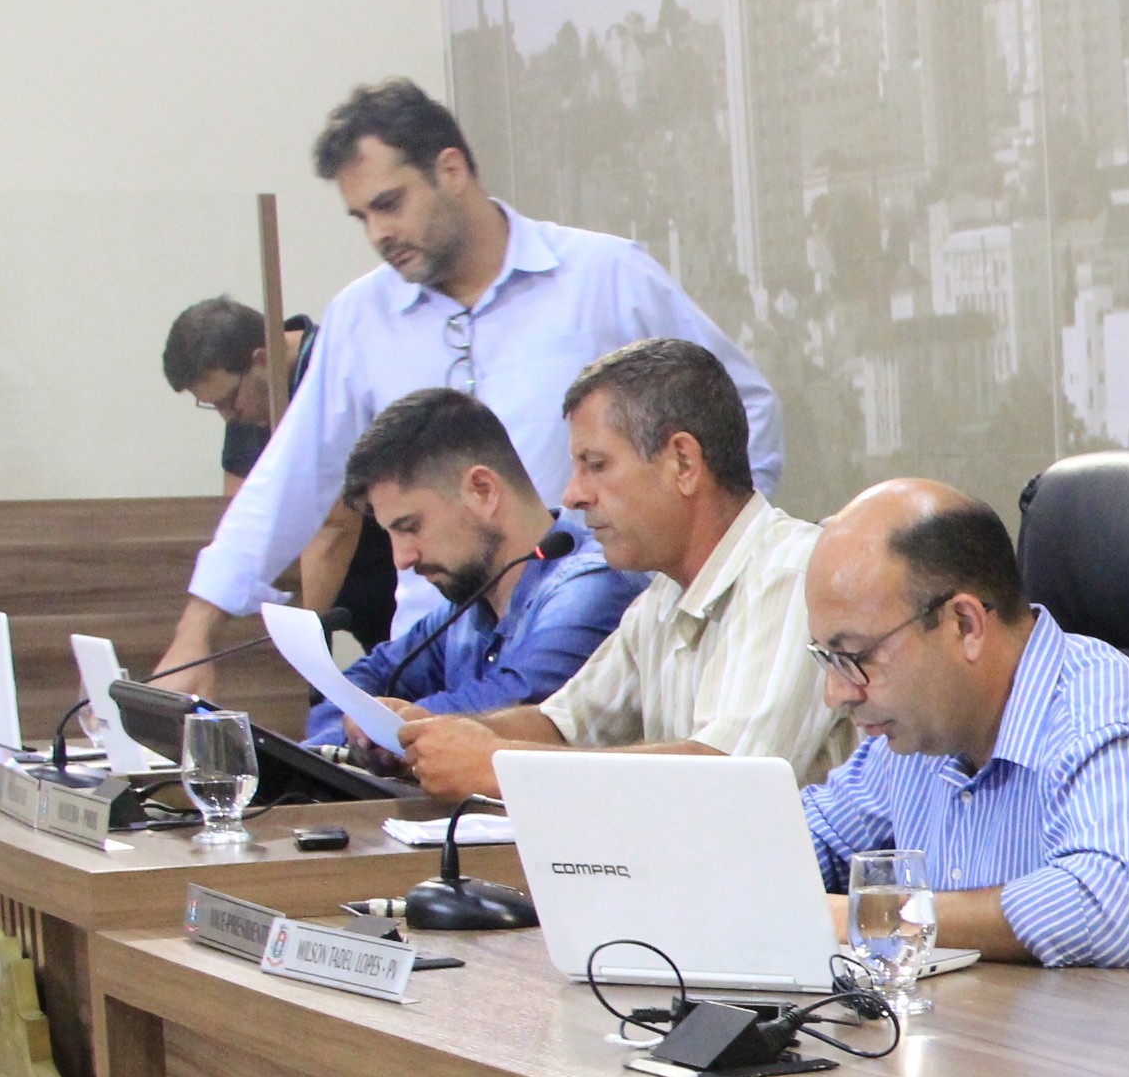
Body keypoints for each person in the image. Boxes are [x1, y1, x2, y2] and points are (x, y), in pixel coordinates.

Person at [156, 78, 779, 695]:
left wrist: (708, 570)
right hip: (436, 654)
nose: (378, 233)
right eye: (362, 216)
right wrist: (197, 631)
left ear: (450, 169)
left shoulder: (602, 276)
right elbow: (289, 478)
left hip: (605, 647)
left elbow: (741, 409)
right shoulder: (360, 318)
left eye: (389, 204)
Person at [795, 479, 1129, 992]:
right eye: (826, 658)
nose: (837, 692)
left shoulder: (1104, 709)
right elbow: (808, 839)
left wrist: (880, 915)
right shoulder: (916, 733)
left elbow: (1113, 906)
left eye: (856, 657)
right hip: (1002, 1044)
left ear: (964, 624)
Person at [390, 340, 847, 796]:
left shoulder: (793, 575)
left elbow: (727, 780)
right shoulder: (662, 595)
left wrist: (497, 769)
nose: (573, 495)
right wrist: (436, 735)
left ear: (682, 463)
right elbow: (563, 725)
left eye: (596, 465)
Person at [304, 388, 638, 752]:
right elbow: (353, 690)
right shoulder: (467, 605)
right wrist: (361, 730)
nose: (401, 558)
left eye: (410, 526)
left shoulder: (593, 588)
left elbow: (517, 706)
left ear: (482, 491)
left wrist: (379, 729)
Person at [161, 295, 398, 644]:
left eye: (228, 401)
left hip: (391, 577)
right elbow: (240, 512)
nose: (229, 416)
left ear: (262, 359)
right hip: (312, 581)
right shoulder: (250, 402)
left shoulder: (333, 369)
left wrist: (283, 646)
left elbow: (334, 529)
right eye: (215, 407)